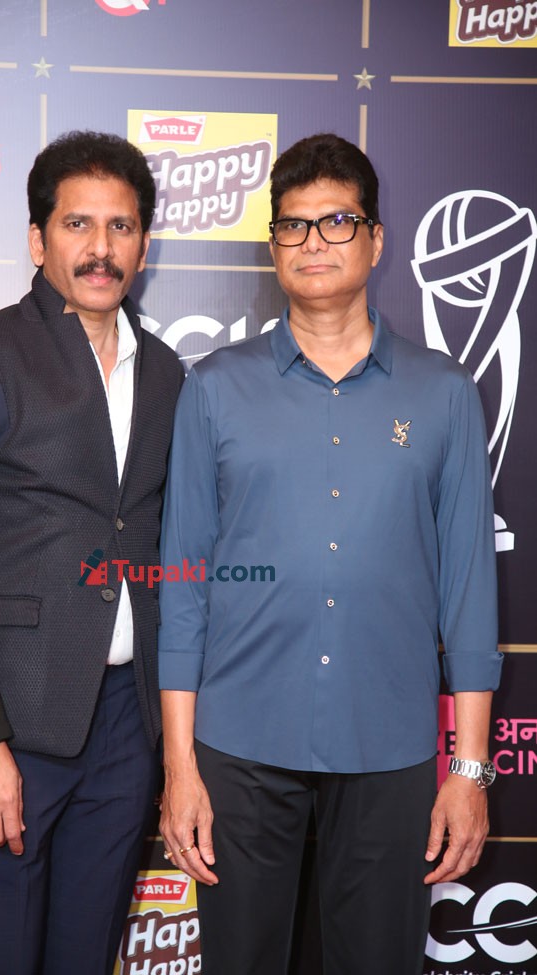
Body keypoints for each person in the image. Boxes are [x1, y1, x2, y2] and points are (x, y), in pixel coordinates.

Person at [157, 133, 502, 975]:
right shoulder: (214, 387)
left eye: (337, 221)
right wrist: (180, 765)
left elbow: (468, 590)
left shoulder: (445, 393)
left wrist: (469, 768)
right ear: (274, 246)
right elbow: (184, 586)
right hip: (238, 743)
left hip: (389, 742)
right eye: (293, 225)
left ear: (376, 240)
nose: (313, 241)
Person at [0, 130, 183, 975]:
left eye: (121, 227)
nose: (101, 248)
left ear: (143, 245)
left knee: (85, 958)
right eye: (77, 224)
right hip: (11, 727)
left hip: (126, 728)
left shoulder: (168, 374)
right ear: (38, 239)